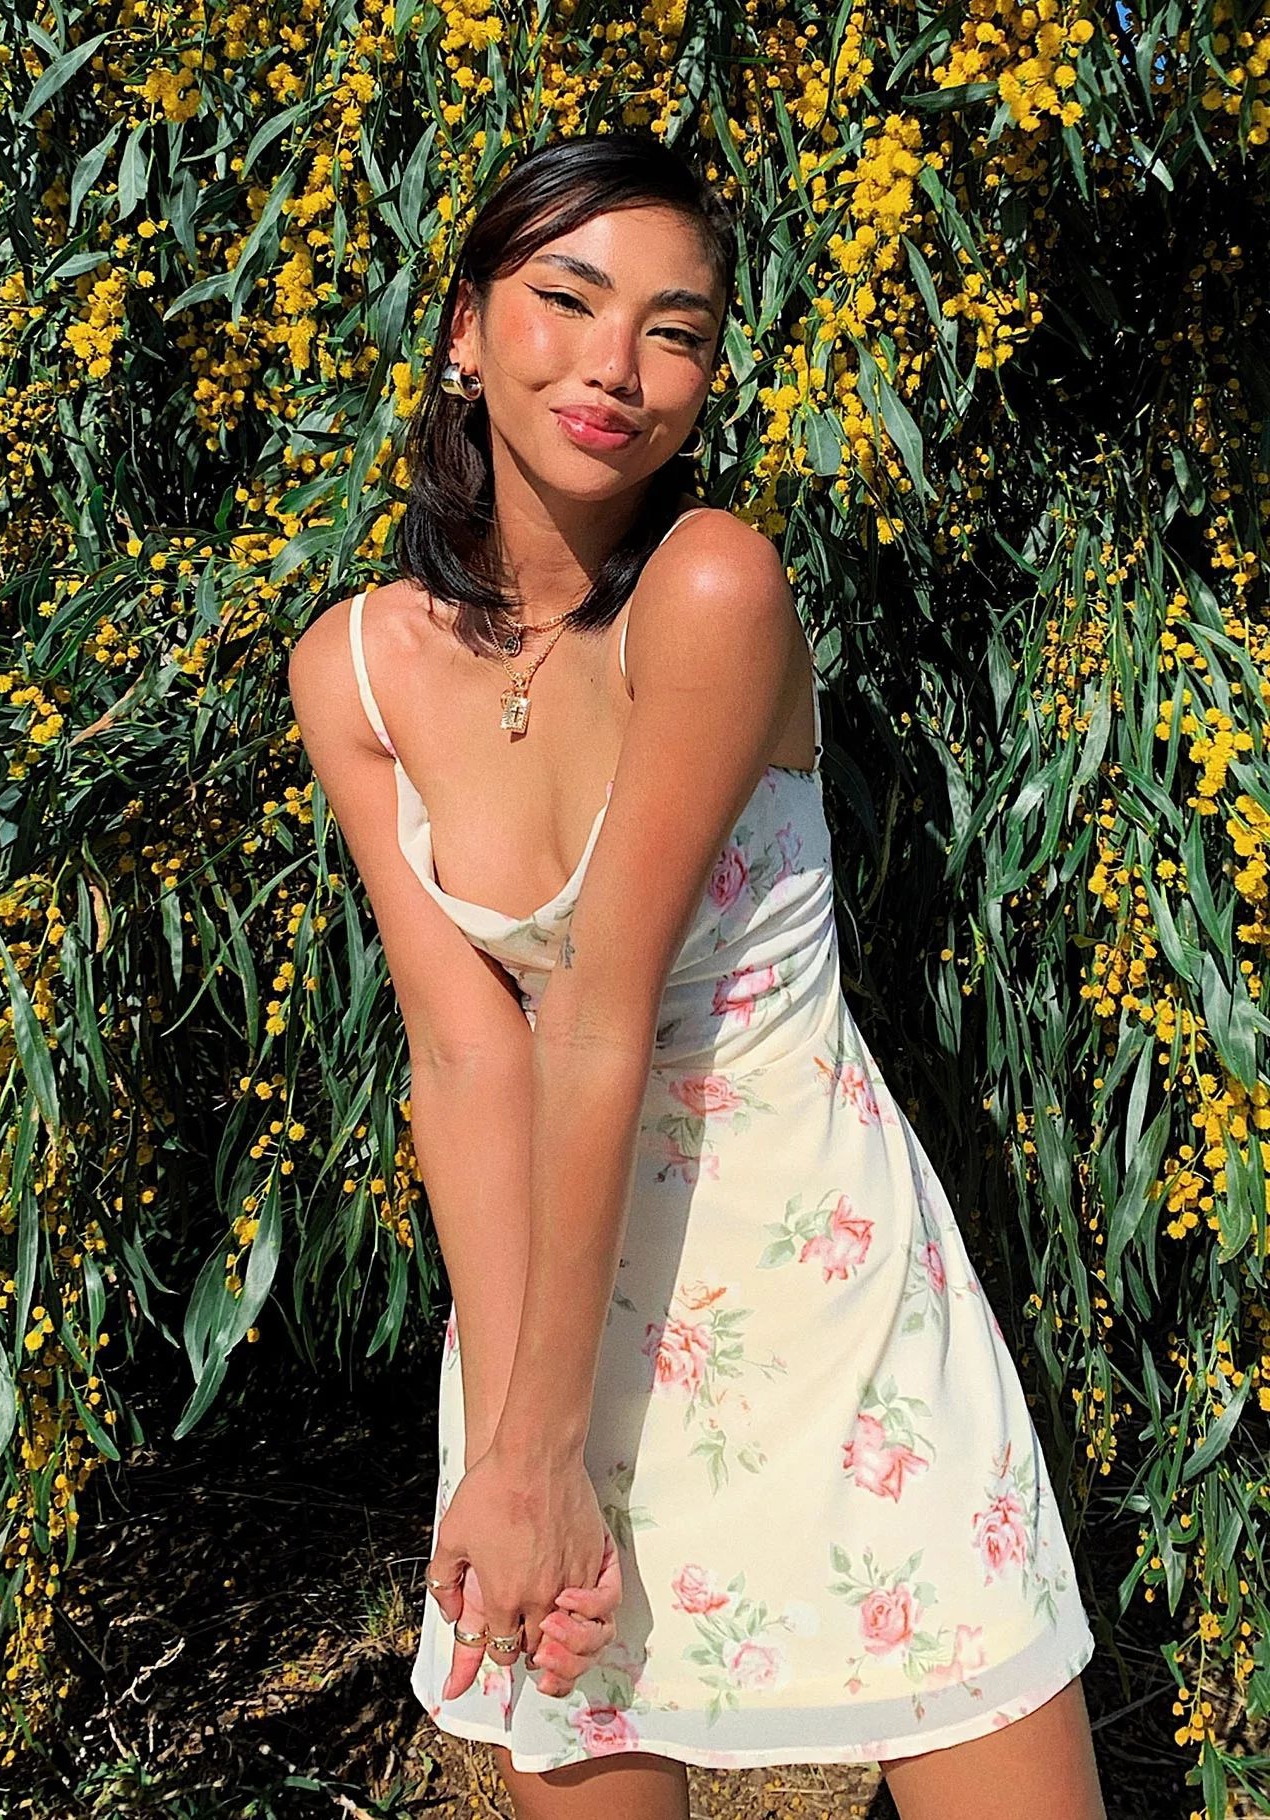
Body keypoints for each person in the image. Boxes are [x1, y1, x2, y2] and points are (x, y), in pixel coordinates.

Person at [288, 131, 1108, 1820]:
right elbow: (466, 1059)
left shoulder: (712, 585)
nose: (616, 364)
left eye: (674, 329)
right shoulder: (356, 671)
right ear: (464, 330)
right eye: (567, 300)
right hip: (548, 1320)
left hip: (833, 1310)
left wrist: (533, 1448)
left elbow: (599, 1014)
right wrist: (521, 1446)